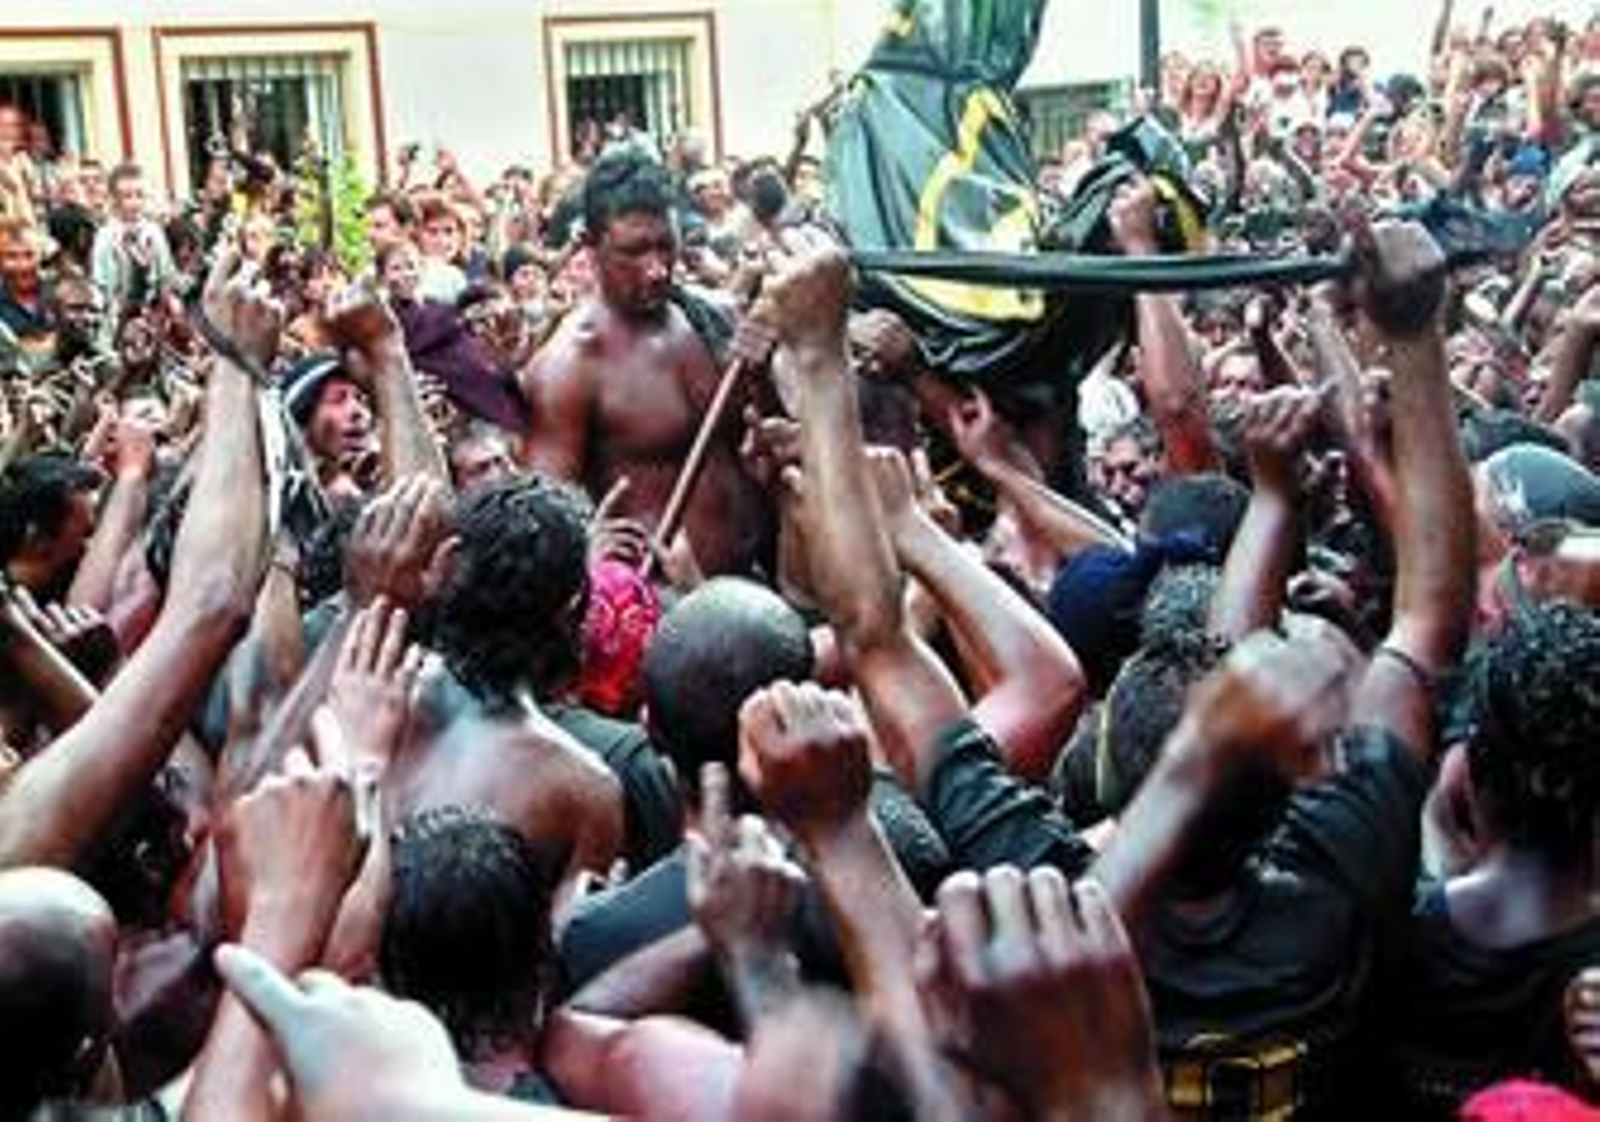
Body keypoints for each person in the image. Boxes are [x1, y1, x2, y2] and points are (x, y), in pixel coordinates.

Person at [519, 147, 775, 577]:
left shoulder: (709, 319)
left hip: (756, 583)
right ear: (590, 248)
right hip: (661, 599)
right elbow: (543, 520)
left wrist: (760, 376)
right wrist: (591, 556)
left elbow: (758, 433)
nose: (657, 269)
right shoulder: (569, 364)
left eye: (665, 246)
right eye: (634, 251)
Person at [90, 163, 176, 317]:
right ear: (114, 200)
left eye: (140, 195)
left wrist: (165, 304)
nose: (135, 203)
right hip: (116, 313)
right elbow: (99, 280)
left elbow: (165, 274)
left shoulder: (154, 232)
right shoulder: (105, 236)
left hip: (150, 312)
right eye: (128, 197)